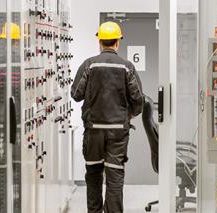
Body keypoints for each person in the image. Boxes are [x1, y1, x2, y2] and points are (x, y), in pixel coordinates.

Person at [71, 21, 145, 213]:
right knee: (115, 176)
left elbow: (76, 94)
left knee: (94, 175)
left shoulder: (89, 64)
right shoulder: (127, 67)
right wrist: (130, 116)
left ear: (100, 42)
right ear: (117, 43)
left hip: (93, 132)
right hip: (118, 132)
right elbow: (138, 99)